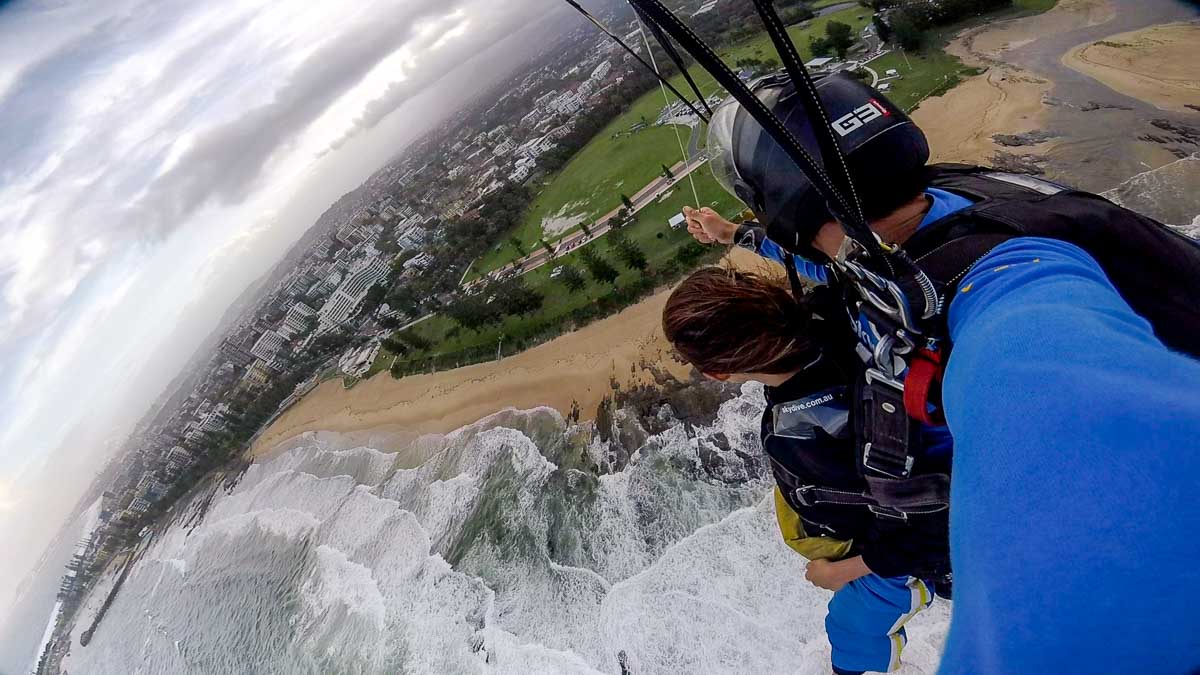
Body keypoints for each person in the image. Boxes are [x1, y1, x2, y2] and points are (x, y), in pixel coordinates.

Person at [676, 73, 1200, 672]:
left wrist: (854, 567)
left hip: (931, 544)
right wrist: (736, 235)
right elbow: (842, 267)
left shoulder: (999, 287)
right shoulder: (936, 207)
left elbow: (1068, 400)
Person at [663, 267, 949, 675]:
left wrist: (843, 570)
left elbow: (931, 527)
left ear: (717, 373)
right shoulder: (840, 309)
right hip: (929, 445)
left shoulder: (801, 436)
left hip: (908, 544)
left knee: (850, 630)